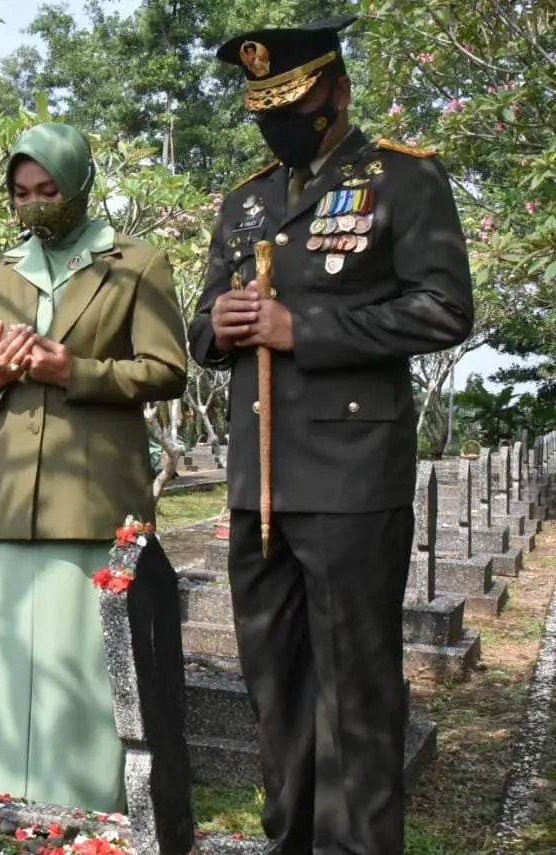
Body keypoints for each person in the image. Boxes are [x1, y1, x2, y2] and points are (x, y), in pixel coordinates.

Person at [190, 16, 474, 853]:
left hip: (350, 481)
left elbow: (444, 308)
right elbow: (203, 332)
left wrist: (300, 325)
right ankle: (289, 840)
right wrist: (227, 322)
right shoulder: (245, 201)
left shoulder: (401, 180)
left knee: (354, 694)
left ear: (338, 91)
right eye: (263, 108)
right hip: (258, 484)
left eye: (296, 102)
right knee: (274, 687)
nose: (279, 121)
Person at [0, 122, 188, 815]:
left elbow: (168, 368)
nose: (33, 203)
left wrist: (72, 369)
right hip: (6, 491)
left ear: (80, 183)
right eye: (21, 193)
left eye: (47, 189)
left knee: (83, 660)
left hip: (90, 494)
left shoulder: (136, 263)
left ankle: (82, 804)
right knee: (4, 657)